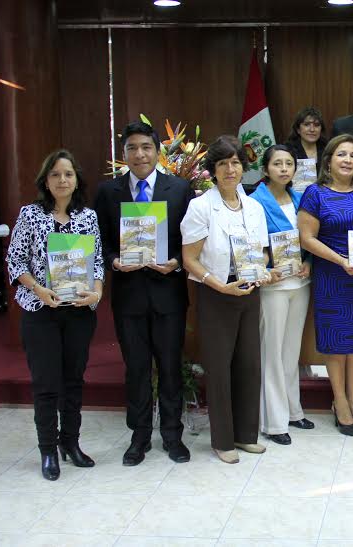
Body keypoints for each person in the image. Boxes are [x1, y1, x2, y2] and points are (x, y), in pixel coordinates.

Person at [94, 121, 194, 466]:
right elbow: (101, 242)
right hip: (129, 295)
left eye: (146, 147)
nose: (139, 154)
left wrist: (178, 262)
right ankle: (138, 438)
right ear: (124, 154)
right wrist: (114, 261)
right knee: (136, 369)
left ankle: (172, 435)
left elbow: (190, 241)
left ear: (157, 152)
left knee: (169, 367)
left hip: (168, 293)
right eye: (132, 148)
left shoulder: (180, 188)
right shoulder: (108, 192)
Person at [6, 149, 104, 480]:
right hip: (41, 310)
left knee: (74, 381)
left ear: (77, 180)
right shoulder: (30, 215)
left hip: (78, 310)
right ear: (45, 181)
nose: (62, 180)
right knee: (47, 383)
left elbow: (99, 262)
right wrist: (38, 289)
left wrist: (98, 291)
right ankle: (48, 450)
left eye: (68, 174)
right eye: (55, 175)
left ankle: (70, 443)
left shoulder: (87, 217)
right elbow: (14, 261)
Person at [180, 135, 270, 464]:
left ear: (243, 168)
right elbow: (190, 258)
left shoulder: (255, 207)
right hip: (216, 294)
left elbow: (259, 253)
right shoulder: (201, 206)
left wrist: (265, 272)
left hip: (249, 291)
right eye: (222, 164)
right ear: (213, 171)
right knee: (219, 368)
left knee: (248, 364)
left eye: (235, 163)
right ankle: (223, 440)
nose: (230, 169)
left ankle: (246, 435)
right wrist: (219, 285)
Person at [297, 134, 353, 436]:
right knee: (336, 343)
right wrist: (341, 260)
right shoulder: (315, 193)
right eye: (341, 155)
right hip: (333, 276)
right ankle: (340, 401)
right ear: (329, 160)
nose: (348, 160)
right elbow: (306, 238)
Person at [250, 144, 315, 446]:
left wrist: (308, 263)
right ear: (265, 170)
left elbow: (312, 241)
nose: (284, 169)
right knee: (272, 353)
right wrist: (267, 270)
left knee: (291, 352)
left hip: (299, 285)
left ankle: (292, 411)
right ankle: (273, 422)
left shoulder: (301, 198)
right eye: (277, 164)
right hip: (273, 286)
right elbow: (250, 249)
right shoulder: (254, 202)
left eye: (289, 163)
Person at [286, 106, 329, 173]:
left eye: (316, 125)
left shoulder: (328, 148)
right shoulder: (288, 150)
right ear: (298, 130)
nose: (312, 129)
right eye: (306, 125)